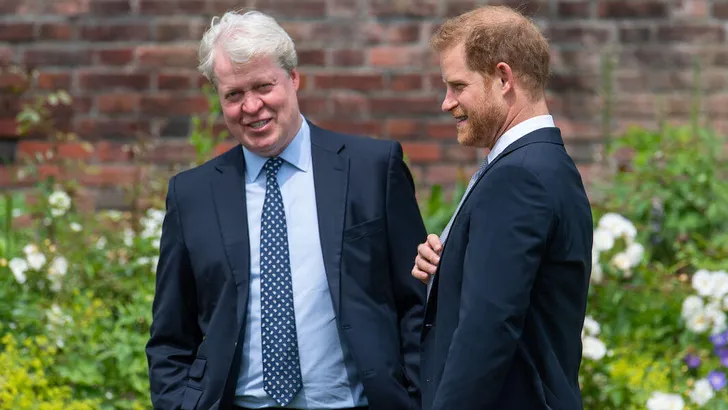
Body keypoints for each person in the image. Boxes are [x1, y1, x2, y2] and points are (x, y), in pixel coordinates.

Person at [146, 10, 427, 410]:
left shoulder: (371, 169)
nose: (252, 106)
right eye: (234, 94)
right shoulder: (192, 194)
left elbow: (417, 302)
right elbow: (171, 335)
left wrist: (414, 396)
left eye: (263, 86)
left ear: (293, 79)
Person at [411, 5, 593, 410]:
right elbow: (521, 293)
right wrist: (449, 271)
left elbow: (488, 329)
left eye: (458, 86)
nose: (447, 102)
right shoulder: (546, 165)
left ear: (503, 78)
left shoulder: (519, 176)